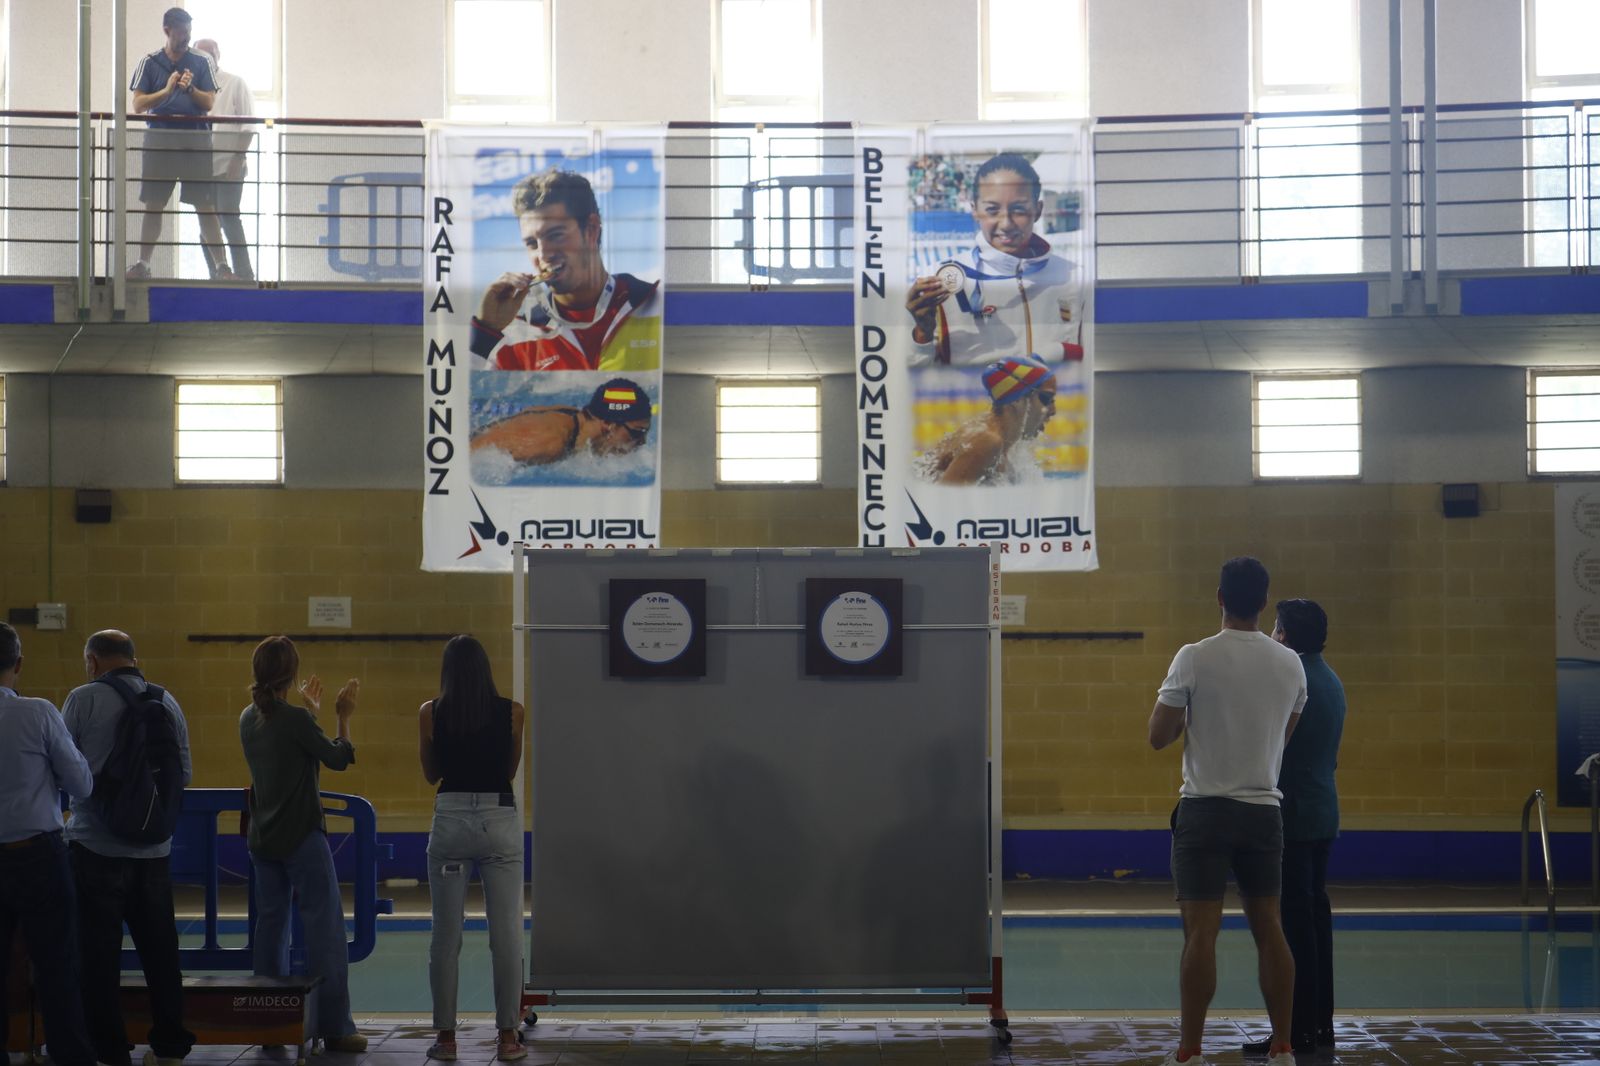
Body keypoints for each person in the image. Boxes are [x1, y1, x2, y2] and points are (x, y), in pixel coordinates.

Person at [1147, 558, 1308, 1066]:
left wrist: (1191, 719)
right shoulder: (1291, 664)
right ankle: (1282, 1045)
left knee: (1201, 932)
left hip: (1205, 811)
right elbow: (1281, 740)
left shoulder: (1194, 657)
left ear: (1219, 597)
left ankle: (1191, 1051)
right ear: (1264, 602)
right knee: (1270, 926)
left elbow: (1158, 736)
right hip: (1263, 810)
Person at [62, 630, 196, 1066]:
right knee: (161, 952)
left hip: (95, 848)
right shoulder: (166, 700)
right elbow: (184, 773)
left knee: (98, 957)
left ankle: (110, 1049)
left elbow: (67, 774)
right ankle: (171, 1046)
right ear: (133, 659)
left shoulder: (82, 699)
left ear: (93, 660)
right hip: (154, 851)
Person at [238, 636, 367, 1054]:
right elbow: (338, 758)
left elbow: (287, 754)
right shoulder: (295, 720)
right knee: (324, 928)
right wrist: (341, 717)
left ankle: (269, 1025)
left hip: (263, 837)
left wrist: (308, 715)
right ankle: (336, 1027)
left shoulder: (247, 719)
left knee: (271, 928)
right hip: (302, 837)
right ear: (292, 675)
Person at [1242, 599, 1345, 1056]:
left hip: (1296, 817)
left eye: (1276, 630)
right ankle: (1319, 1024)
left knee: (1295, 929)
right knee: (1316, 922)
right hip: (1322, 811)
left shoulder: (1295, 678)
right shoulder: (1330, 677)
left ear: (1285, 635)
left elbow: (1273, 746)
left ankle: (1297, 1028)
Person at [418, 635, 528, 1063]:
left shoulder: (430, 713)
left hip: (450, 821)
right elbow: (508, 769)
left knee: (445, 936)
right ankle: (507, 1038)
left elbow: (431, 773)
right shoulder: (513, 713)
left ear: (447, 672)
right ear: (485, 669)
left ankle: (446, 1039)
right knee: (506, 935)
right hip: (498, 818)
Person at [0, 622, 98, 1066]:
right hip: (37, 855)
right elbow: (81, 782)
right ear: (18, 664)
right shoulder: (37, 713)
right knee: (57, 967)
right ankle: (71, 1059)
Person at [903, 152, 1084, 369]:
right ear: (974, 211)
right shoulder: (938, 281)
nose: (1006, 223)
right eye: (992, 210)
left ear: (1038, 210)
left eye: (1018, 209)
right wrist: (921, 335)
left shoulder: (1075, 279)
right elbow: (917, 377)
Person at [469, 169, 661, 372]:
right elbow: (456, 398)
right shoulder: (512, 337)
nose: (543, 255)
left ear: (592, 229)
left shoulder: (656, 305)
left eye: (555, 235)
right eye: (532, 243)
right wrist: (485, 331)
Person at [128, 7, 228, 280]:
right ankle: (143, 264)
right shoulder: (149, 63)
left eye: (188, 33)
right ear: (167, 30)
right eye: (181, 32)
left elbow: (208, 103)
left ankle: (221, 267)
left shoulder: (201, 61)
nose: (185, 38)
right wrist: (167, 90)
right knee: (154, 202)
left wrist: (190, 89)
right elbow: (137, 105)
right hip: (160, 137)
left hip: (194, 136)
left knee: (204, 205)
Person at [917, 356, 1056, 485]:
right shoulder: (987, 441)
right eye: (1046, 399)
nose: (1053, 411)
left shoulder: (1005, 445)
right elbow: (942, 502)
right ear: (1017, 398)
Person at [470, 377, 652, 467]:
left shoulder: (574, 419)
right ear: (609, 425)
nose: (642, 443)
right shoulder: (549, 441)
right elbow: (470, 457)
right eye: (638, 433)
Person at [191, 38, 255, 282]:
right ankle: (217, 273)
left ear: (219, 56)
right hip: (200, 166)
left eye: (211, 54)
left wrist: (238, 158)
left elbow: (248, 124)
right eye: (201, 54)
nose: (207, 59)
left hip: (228, 164)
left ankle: (244, 274)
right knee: (206, 224)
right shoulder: (191, 88)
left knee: (229, 218)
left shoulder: (235, 83)